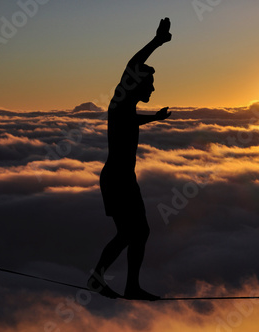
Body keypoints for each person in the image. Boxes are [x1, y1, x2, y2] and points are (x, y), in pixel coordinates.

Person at [87, 18, 172, 300]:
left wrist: (154, 118)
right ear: (136, 83)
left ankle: (121, 283)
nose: (153, 89)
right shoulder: (120, 101)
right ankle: (105, 280)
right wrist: (157, 41)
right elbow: (132, 64)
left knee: (136, 233)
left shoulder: (124, 110)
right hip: (117, 180)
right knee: (133, 232)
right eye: (150, 83)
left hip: (123, 180)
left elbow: (131, 121)